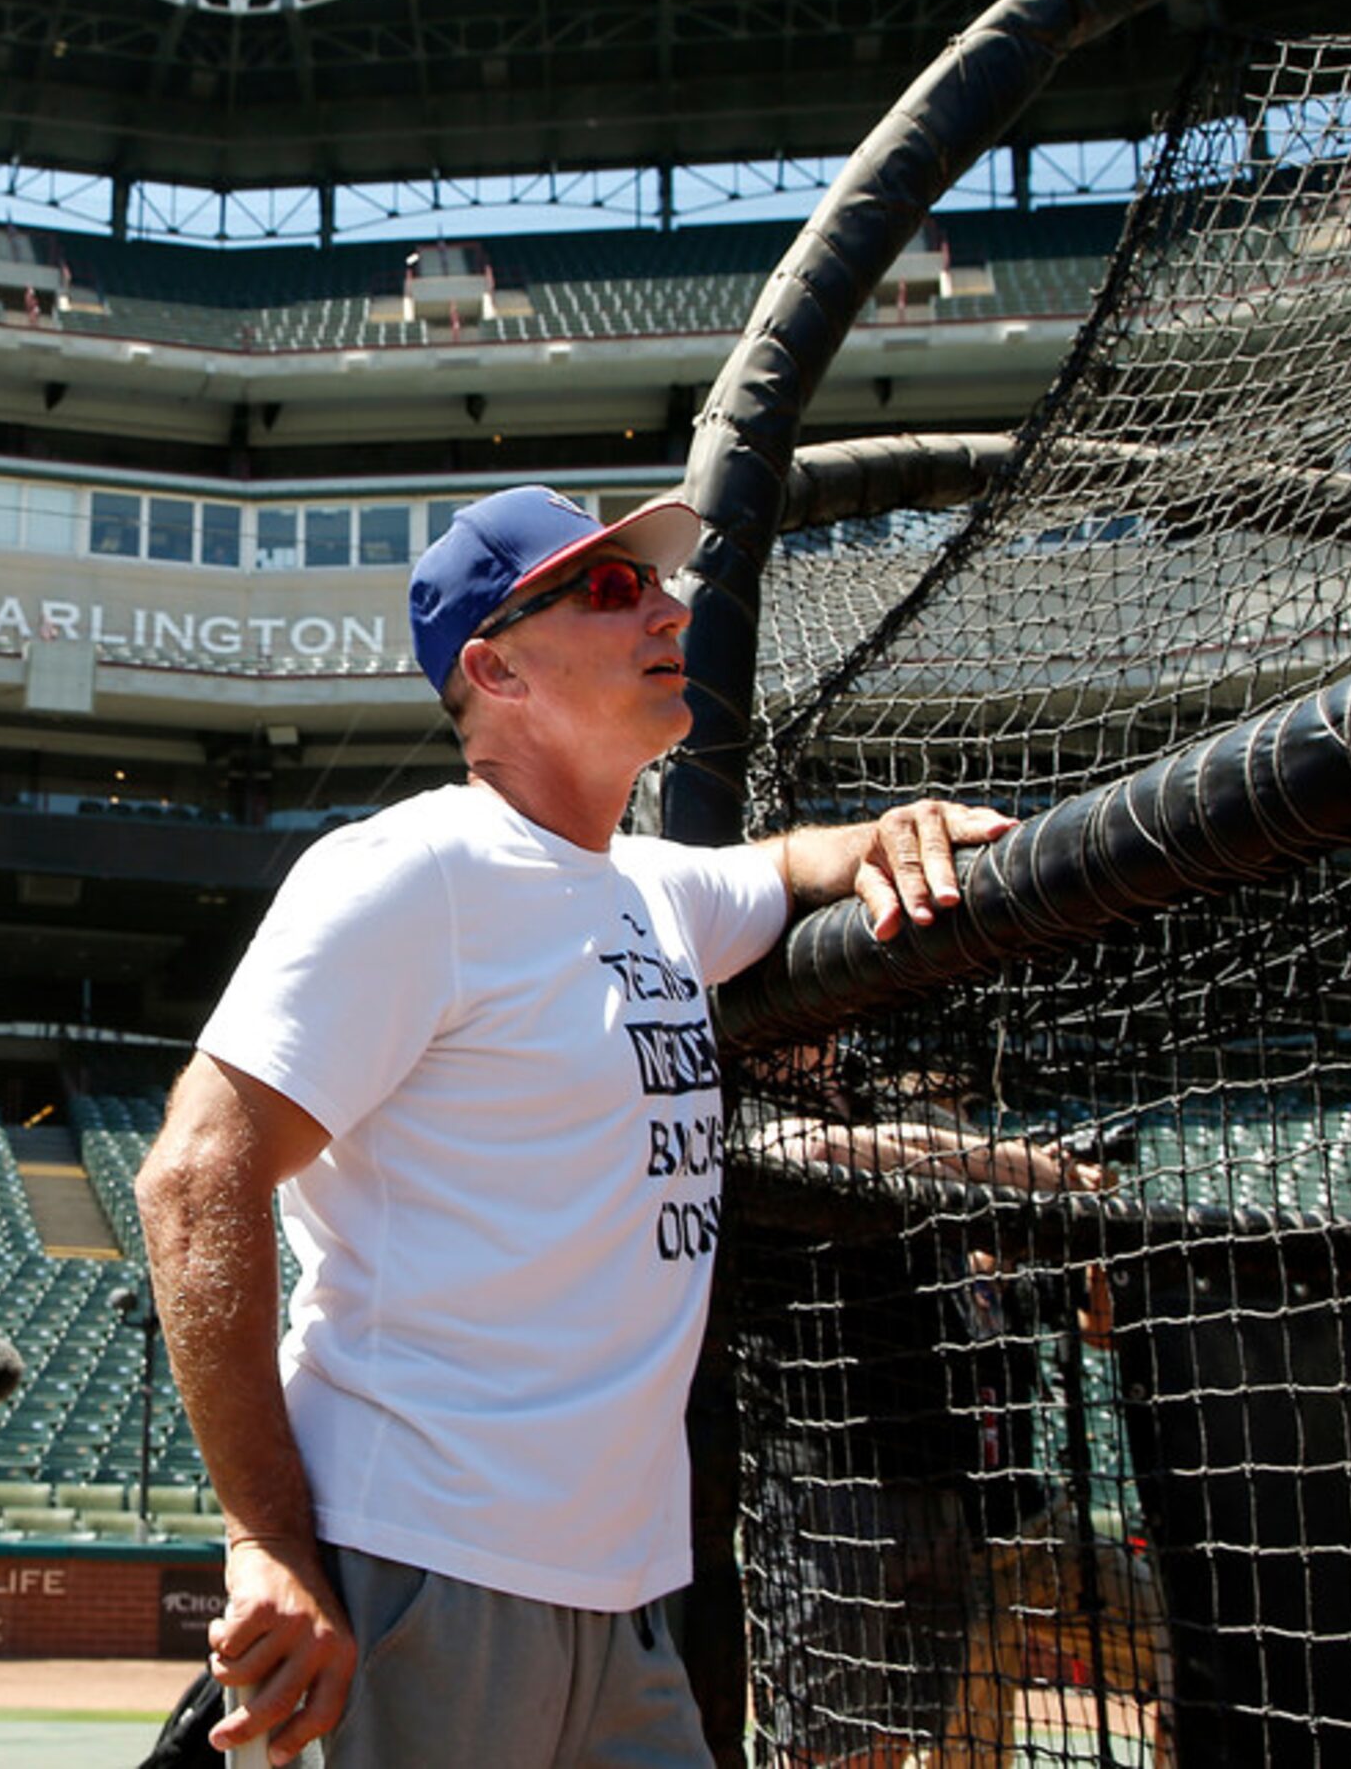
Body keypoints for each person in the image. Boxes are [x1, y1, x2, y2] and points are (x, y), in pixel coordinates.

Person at [134, 484, 1018, 1769]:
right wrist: (265, 1539)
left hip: (623, 1594)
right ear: (492, 667)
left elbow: (779, 867)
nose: (667, 609)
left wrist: (882, 836)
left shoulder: (654, 884)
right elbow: (194, 1174)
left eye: (655, 585)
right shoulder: (410, 868)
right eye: (610, 590)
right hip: (419, 1569)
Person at [741, 1056, 1167, 1769]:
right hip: (849, 1485)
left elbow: (1099, 1325)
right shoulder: (747, 1098)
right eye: (939, 1104)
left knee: (924, 1738)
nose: (952, 1121)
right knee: (870, 1749)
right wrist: (1019, 1172)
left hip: (986, 1516)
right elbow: (816, 1149)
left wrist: (1070, 1202)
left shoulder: (1008, 1271)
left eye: (961, 1107)